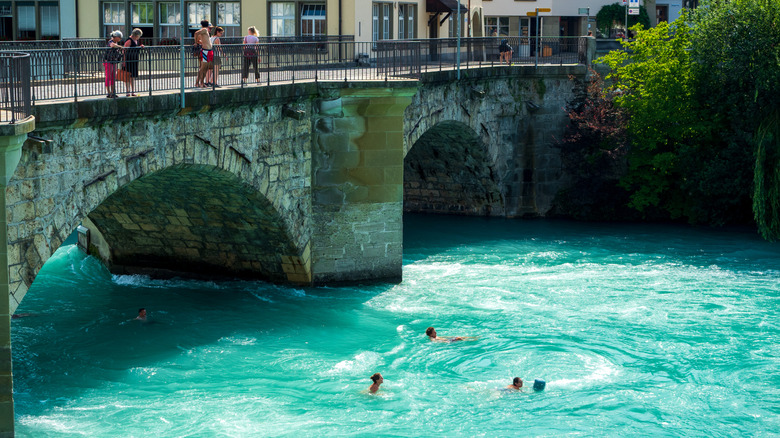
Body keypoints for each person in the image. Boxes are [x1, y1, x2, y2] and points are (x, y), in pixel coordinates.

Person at [122, 28, 144, 96]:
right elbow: (124, 51)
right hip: (128, 60)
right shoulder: (129, 40)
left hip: (134, 60)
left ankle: (133, 91)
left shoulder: (135, 40)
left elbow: (135, 49)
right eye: (139, 36)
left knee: (133, 76)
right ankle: (128, 91)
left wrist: (140, 47)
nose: (139, 38)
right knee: (127, 76)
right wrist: (124, 62)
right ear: (136, 35)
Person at [103, 30, 124, 98]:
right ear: (115, 37)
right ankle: (109, 92)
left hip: (113, 61)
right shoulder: (111, 42)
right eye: (119, 37)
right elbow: (112, 45)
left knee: (113, 77)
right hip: (108, 61)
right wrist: (120, 47)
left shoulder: (116, 42)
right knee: (108, 77)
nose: (120, 39)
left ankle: (113, 92)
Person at [194, 20, 213, 88]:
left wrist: (200, 42)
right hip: (206, 51)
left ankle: (201, 82)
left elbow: (200, 38)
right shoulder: (204, 30)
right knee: (203, 68)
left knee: (206, 68)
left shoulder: (205, 31)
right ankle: (198, 82)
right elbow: (196, 33)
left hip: (209, 50)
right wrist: (196, 42)